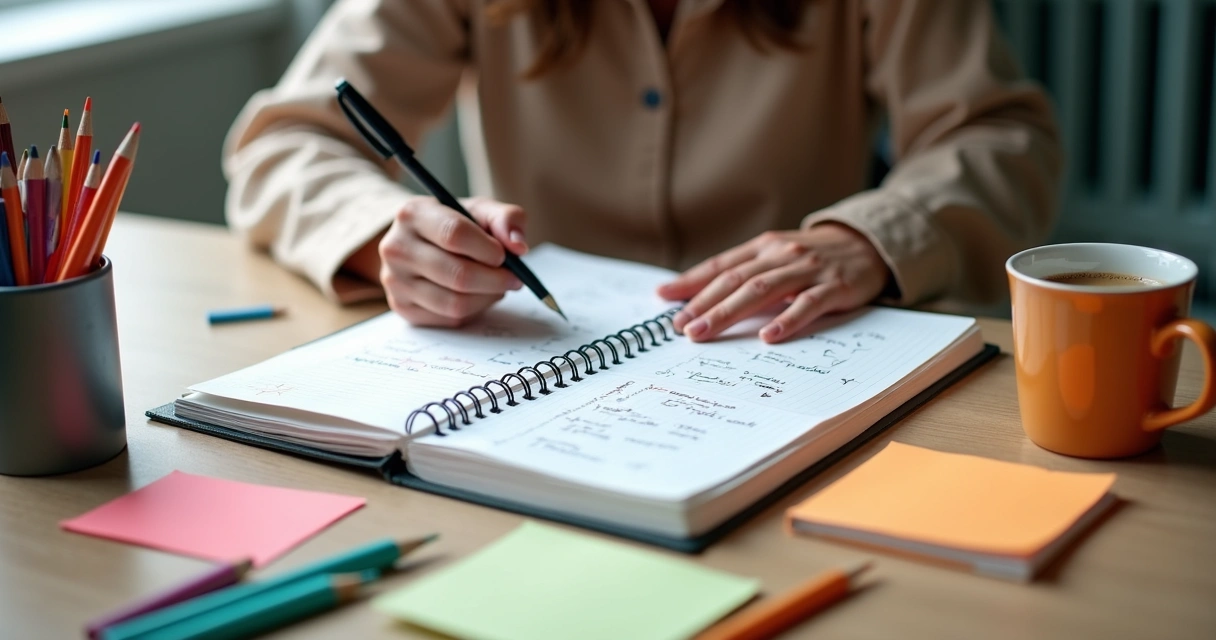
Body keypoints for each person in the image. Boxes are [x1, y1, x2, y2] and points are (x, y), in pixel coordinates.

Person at [223, 0, 1061, 343]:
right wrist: (388, 240)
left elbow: (1001, 136)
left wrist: (873, 239)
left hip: (804, 354)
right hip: (544, 365)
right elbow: (283, 144)